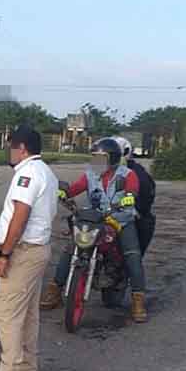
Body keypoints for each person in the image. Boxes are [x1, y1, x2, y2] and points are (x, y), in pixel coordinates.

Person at [0, 125, 58, 371]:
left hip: (23, 252)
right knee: (27, 315)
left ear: (21, 148)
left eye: (11, 146)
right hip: (37, 250)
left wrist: (4, 254)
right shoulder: (45, 171)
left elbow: (20, 217)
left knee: (7, 314)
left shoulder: (27, 173)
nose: (8, 151)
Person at [41, 137, 148, 322]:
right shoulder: (90, 174)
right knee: (71, 248)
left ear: (113, 158)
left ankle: (138, 300)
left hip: (120, 220)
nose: (96, 162)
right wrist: (62, 192)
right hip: (95, 220)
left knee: (132, 255)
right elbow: (75, 188)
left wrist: (129, 197)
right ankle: (55, 290)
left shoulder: (127, 174)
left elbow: (132, 191)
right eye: (95, 157)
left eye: (101, 158)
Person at [115, 136, 156, 256]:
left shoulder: (138, 174)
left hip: (134, 218)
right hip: (109, 215)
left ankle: (132, 273)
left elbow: (145, 200)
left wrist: (132, 208)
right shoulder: (104, 171)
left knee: (132, 257)